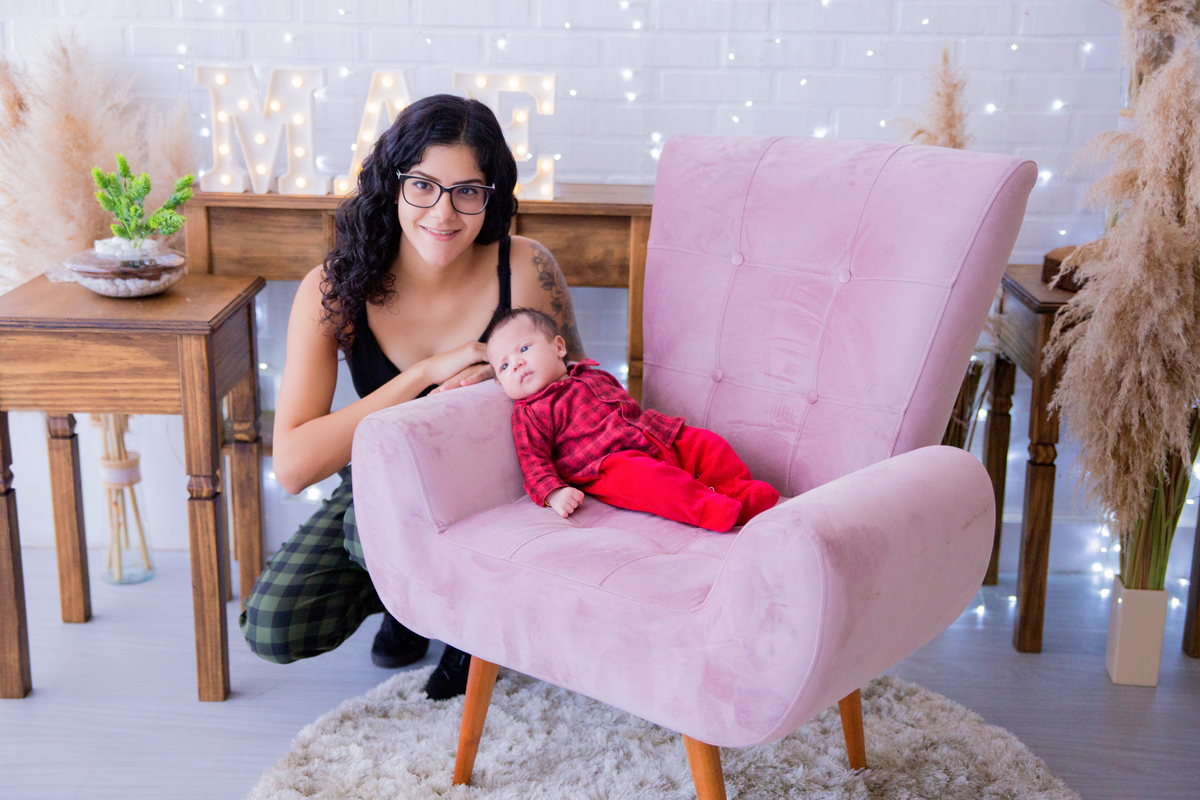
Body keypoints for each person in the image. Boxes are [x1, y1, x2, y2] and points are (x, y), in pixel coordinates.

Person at [239, 95, 585, 700]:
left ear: (491, 195)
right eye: (423, 185)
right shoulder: (333, 289)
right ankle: (407, 601)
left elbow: (580, 395)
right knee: (273, 626)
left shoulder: (525, 268)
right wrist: (421, 377)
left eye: (467, 191)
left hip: (500, 489)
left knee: (382, 529)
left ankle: (463, 628)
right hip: (382, 485)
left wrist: (499, 389)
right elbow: (292, 467)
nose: (443, 213)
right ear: (392, 183)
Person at [485, 308, 779, 531]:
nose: (517, 363)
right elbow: (532, 460)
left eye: (524, 349)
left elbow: (628, 409)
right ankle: (710, 510)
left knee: (706, 443)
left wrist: (659, 437)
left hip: (652, 433)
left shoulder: (593, 374)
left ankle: (741, 491)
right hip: (608, 463)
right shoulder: (530, 411)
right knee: (655, 483)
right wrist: (554, 492)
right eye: (504, 366)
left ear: (558, 347)